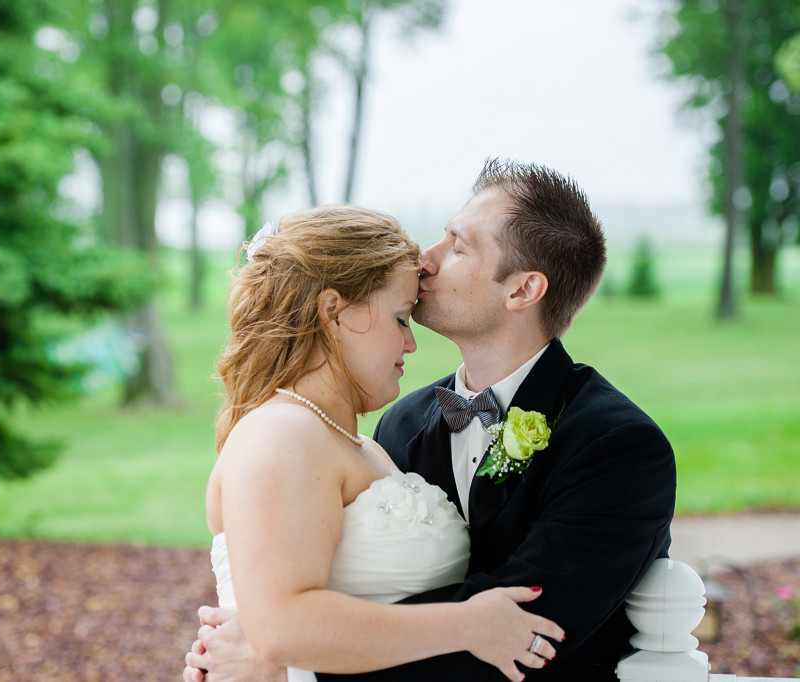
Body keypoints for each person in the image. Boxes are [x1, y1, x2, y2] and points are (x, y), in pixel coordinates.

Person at [184, 159, 677, 681]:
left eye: (458, 246)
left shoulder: (615, 445)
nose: (426, 259)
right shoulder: (401, 423)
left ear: (522, 290)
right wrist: (285, 638)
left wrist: (291, 666)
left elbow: (528, 626)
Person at [201, 204, 565, 682]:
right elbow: (280, 628)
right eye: (399, 318)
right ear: (333, 311)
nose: (410, 344)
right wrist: (468, 625)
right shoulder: (281, 434)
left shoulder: (363, 445)